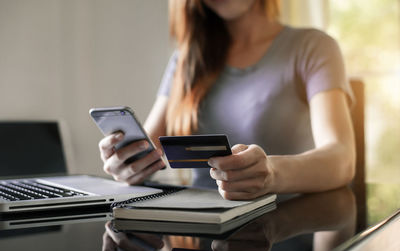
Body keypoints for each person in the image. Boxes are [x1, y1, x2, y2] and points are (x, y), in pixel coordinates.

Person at [98, 0, 356, 200]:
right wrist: (126, 165)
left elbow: (341, 159)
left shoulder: (313, 47)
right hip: (200, 236)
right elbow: (146, 151)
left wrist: (272, 173)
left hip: (284, 230)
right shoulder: (186, 61)